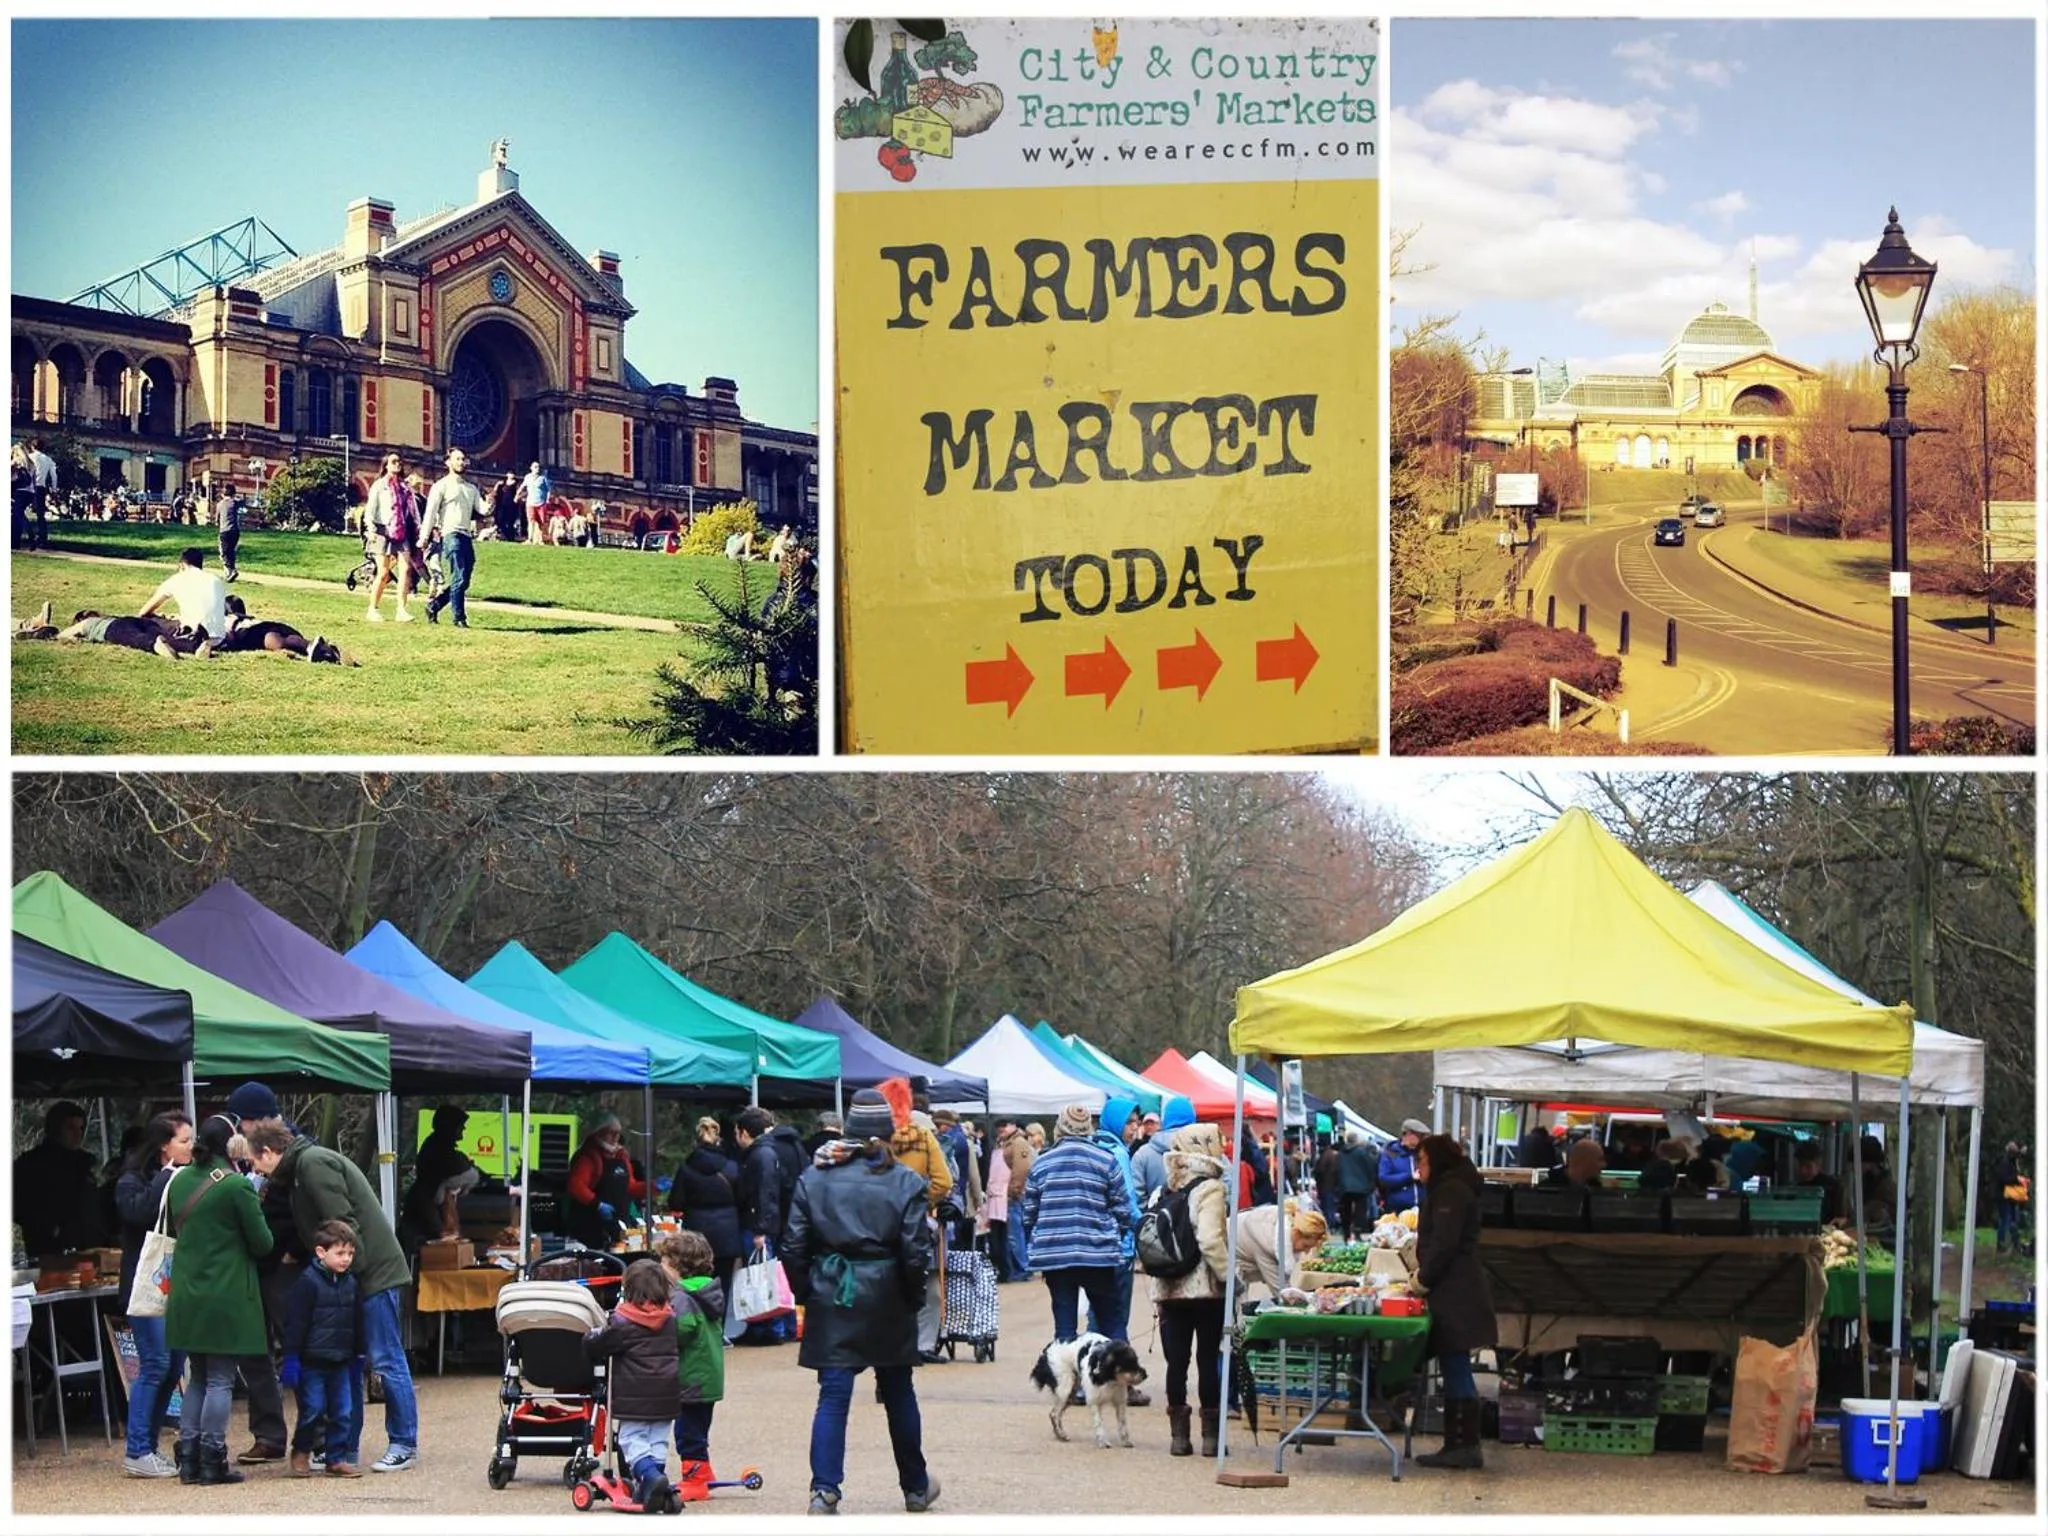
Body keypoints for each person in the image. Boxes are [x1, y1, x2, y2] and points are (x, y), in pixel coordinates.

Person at [780, 1088, 941, 1516]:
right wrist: (909, 1297)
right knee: (899, 1392)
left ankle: (825, 1490)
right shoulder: (906, 1180)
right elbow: (915, 1250)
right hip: (886, 1290)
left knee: (833, 1397)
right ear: (887, 1132)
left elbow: (792, 1246)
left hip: (834, 1289)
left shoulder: (814, 1176)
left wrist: (809, 1293)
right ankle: (915, 1487)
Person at [244, 1121, 418, 1473]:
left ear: (268, 1152)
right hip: (356, 1275)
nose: (255, 1170)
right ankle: (344, 1448)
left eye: (254, 1162)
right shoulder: (301, 1168)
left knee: (386, 1358)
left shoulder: (312, 1164)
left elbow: (342, 1224)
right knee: (350, 1364)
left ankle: (403, 1442)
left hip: (371, 1275)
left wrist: (344, 1276)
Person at [166, 1113, 274, 1486]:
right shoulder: (236, 1187)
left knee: (197, 1377)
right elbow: (263, 1243)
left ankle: (190, 1459)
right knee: (221, 1380)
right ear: (231, 1146)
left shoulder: (180, 1182)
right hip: (225, 1294)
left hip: (187, 1292)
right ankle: (213, 1458)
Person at [1410, 1134, 1497, 1471]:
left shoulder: (1451, 1191)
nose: (1419, 1168)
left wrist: (1423, 1279)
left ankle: (1463, 1445)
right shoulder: (1455, 1187)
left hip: (1455, 1289)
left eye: (1423, 1160)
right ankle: (1459, 1443)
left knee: (1456, 1361)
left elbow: (1444, 1244)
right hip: (1455, 1286)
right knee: (1453, 1361)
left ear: (1437, 1160)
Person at [114, 1112, 194, 1477]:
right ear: (164, 1146)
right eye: (184, 1140)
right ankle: (137, 1449)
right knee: (156, 1364)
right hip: (143, 1286)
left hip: (175, 1286)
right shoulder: (132, 1180)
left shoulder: (187, 1179)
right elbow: (139, 1213)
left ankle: (150, 1444)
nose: (191, 1146)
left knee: (174, 1366)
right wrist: (166, 1176)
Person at [1147, 1120, 1232, 1458]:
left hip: (1169, 1289)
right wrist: (1229, 1276)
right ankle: (1211, 1438)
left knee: (1176, 1363)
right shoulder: (1210, 1189)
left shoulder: (1163, 1189)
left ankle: (1178, 1438)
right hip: (1205, 1291)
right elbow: (1211, 1240)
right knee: (1208, 1360)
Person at [1020, 1103, 1133, 1344]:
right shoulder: (1107, 1161)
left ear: (1060, 1128)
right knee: (1112, 1320)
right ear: (1088, 1129)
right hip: (1098, 1253)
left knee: (1064, 1326)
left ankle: (1067, 1379)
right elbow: (1123, 1209)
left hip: (1055, 1253)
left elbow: (1028, 1213)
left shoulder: (1042, 1163)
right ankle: (1121, 1376)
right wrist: (1114, 1236)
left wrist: (1039, 1240)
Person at [583, 1260, 681, 1511]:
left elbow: (601, 1344)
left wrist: (590, 1337)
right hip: (666, 1392)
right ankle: (653, 1482)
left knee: (631, 1438)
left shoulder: (623, 1321)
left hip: (634, 1394)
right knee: (657, 1438)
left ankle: (649, 1476)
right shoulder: (670, 1318)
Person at [278, 1218, 364, 1479]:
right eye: (340, 1253)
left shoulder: (352, 1283)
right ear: (320, 1252)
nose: (346, 1259)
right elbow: (295, 1323)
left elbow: (358, 1322)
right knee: (313, 1409)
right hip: (311, 1361)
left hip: (340, 1360)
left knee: (342, 1411)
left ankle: (336, 1457)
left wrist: (359, 1355)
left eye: (350, 1253)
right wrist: (291, 1358)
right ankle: (302, 1450)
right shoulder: (307, 1283)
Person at [877, 1080, 953, 1362]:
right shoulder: (923, 1138)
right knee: (928, 1284)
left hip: (878, 1221)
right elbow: (943, 1181)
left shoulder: (871, 1140)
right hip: (919, 1222)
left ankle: (890, 1343)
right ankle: (922, 1344)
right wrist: (923, 1203)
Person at [655, 1229, 726, 1501]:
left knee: (687, 1432)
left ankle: (694, 1477)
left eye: (663, 1263)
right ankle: (703, 1470)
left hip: (690, 1376)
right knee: (699, 1426)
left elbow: (682, 1329)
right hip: (708, 1375)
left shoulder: (683, 1297)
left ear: (676, 1266)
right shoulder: (708, 1290)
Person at [1084, 1095, 1145, 1377]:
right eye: (1129, 1122)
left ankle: (1091, 1373)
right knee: (1116, 1316)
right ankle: (1121, 1377)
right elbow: (1127, 1201)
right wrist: (1142, 1227)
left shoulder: (1092, 1146)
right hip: (1118, 1246)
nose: (1134, 1128)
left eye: (1137, 1122)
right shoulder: (1119, 1154)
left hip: (1094, 1246)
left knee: (1096, 1317)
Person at [13, 1099, 104, 1256]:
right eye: (70, 1128)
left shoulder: (82, 1164)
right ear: (55, 1129)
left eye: (80, 1128)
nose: (78, 1134)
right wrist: (49, 1228)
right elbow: (18, 1205)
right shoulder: (31, 1165)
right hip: (49, 1250)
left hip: (88, 1247)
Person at [667, 1115, 744, 1285]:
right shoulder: (731, 1167)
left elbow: (675, 1203)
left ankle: (697, 1312)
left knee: (696, 1282)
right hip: (727, 1234)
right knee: (723, 1284)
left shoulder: (686, 1168)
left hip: (696, 1236)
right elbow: (742, 1198)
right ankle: (720, 1311)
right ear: (719, 1140)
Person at [400, 1105, 480, 1249]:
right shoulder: (439, 1150)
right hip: (422, 1214)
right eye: (461, 1126)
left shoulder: (439, 1146)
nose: (463, 1130)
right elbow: (460, 1167)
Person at [421, 447, 482, 627]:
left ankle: (434, 605)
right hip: (450, 534)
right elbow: (430, 513)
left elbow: (482, 509)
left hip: (466, 535)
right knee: (460, 576)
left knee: (464, 580)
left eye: (463, 459)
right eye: (457, 459)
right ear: (448, 462)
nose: (461, 462)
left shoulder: (471, 488)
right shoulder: (440, 486)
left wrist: (492, 501)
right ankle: (459, 618)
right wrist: (424, 536)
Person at [566, 1113, 645, 1250]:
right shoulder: (588, 1156)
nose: (616, 1137)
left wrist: (652, 1187)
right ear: (599, 1133)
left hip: (618, 1222)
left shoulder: (622, 1156)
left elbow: (631, 1186)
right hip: (591, 1224)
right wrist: (597, 1204)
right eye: (611, 1133)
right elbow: (576, 1186)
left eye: (618, 1133)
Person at [1229, 1199, 1328, 1302]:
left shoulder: (1282, 1224)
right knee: (1233, 1309)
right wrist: (1307, 1298)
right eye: (1306, 1245)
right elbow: (1282, 1291)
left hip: (1233, 1262)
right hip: (1224, 1262)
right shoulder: (1266, 1241)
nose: (1306, 1252)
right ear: (1296, 1234)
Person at [218, 595, 354, 665]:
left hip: (252, 632)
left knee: (276, 641)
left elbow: (228, 635)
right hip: (272, 625)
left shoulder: (229, 619)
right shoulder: (250, 618)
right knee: (289, 641)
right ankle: (321, 649)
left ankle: (316, 648)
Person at [362, 453, 419, 622]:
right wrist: (371, 530)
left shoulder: (406, 488)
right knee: (384, 572)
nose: (397, 465)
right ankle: (373, 608)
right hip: (382, 530)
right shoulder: (379, 486)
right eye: (393, 462)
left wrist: (419, 528)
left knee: (405, 569)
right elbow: (370, 510)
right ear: (386, 465)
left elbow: (413, 511)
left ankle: (401, 609)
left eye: (399, 462)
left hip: (401, 531)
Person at [138, 547, 228, 651]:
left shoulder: (176, 579)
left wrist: (157, 617)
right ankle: (206, 644)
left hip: (191, 633)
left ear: (182, 565)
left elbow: (144, 612)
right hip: (219, 638)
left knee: (147, 621)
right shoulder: (215, 580)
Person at [1131, 1096, 1193, 1211]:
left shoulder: (1143, 1154)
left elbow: (1135, 1197)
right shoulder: (1207, 1150)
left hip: (1157, 1223)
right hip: (1199, 1225)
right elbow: (1227, 1189)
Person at [996, 1121, 1035, 1281]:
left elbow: (1021, 1169)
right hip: (1015, 1193)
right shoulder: (1013, 1142)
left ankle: (1023, 1267)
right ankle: (1021, 1267)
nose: (1003, 1129)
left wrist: (1014, 1190)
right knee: (1016, 1233)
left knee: (1015, 1234)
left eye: (1007, 1125)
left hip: (1016, 1194)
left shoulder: (1018, 1143)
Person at [1378, 1119, 1429, 1216]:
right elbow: (1383, 1179)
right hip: (1397, 1210)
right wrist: (1410, 1177)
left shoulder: (1423, 1154)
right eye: (1420, 1136)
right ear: (1409, 1134)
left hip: (1423, 1209)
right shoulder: (1390, 1154)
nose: (1423, 1139)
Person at [1336, 1128, 1379, 1241]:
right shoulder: (1362, 1152)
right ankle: (1358, 1232)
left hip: (1344, 1187)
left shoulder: (1341, 1153)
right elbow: (1370, 1167)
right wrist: (1371, 1183)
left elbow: (1337, 1169)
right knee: (1360, 1211)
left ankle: (1346, 1234)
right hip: (1361, 1186)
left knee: (1346, 1211)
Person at [1993, 1141, 2028, 1252]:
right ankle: (2002, 1242)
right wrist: (2017, 1180)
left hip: (2009, 1195)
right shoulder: (2005, 1162)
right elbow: (2004, 1179)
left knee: (2012, 1219)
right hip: (2003, 1195)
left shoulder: (2010, 1161)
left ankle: (2014, 1242)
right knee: (2006, 1219)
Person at [1543, 1138, 1608, 1190]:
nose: (1604, 1165)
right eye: (1600, 1159)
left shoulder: (1594, 1187)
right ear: (1583, 1160)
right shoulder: (1546, 1190)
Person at [28, 435, 58, 547]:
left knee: (19, 510)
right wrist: (54, 489)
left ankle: (21, 534)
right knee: (40, 514)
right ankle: (42, 538)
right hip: (41, 487)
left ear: (32, 446)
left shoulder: (29, 457)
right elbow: (54, 475)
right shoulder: (48, 459)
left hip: (28, 486)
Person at [215, 483, 243, 581]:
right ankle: (230, 572)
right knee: (231, 552)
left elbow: (217, 519)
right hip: (235, 531)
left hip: (224, 530)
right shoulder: (235, 503)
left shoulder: (220, 504)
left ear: (223, 493)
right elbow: (242, 503)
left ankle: (231, 570)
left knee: (224, 552)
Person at [518, 461, 550, 540]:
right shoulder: (527, 477)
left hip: (541, 503)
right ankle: (530, 539)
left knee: (541, 522)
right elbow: (522, 486)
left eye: (538, 467)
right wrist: (517, 495)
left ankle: (541, 539)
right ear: (531, 468)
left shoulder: (543, 478)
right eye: (535, 467)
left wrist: (547, 500)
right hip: (530, 503)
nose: (537, 469)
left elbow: (548, 490)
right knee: (530, 521)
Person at [489, 472, 520, 541]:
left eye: (512, 474)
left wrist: (516, 499)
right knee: (499, 520)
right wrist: (497, 484)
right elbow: (495, 491)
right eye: (510, 473)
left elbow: (518, 493)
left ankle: (510, 537)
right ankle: (505, 534)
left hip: (511, 505)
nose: (511, 475)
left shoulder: (516, 484)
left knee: (510, 522)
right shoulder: (502, 483)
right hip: (501, 505)